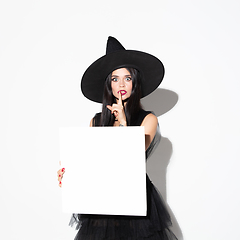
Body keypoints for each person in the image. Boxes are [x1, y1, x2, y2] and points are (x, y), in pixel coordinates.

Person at [57, 36, 177, 240]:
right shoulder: (95, 122)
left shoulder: (148, 120)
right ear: (109, 85)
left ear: (135, 83)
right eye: (115, 78)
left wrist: (123, 124)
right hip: (101, 200)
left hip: (135, 202)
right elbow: (90, 164)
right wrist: (69, 175)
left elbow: (135, 154)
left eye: (127, 78)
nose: (121, 83)